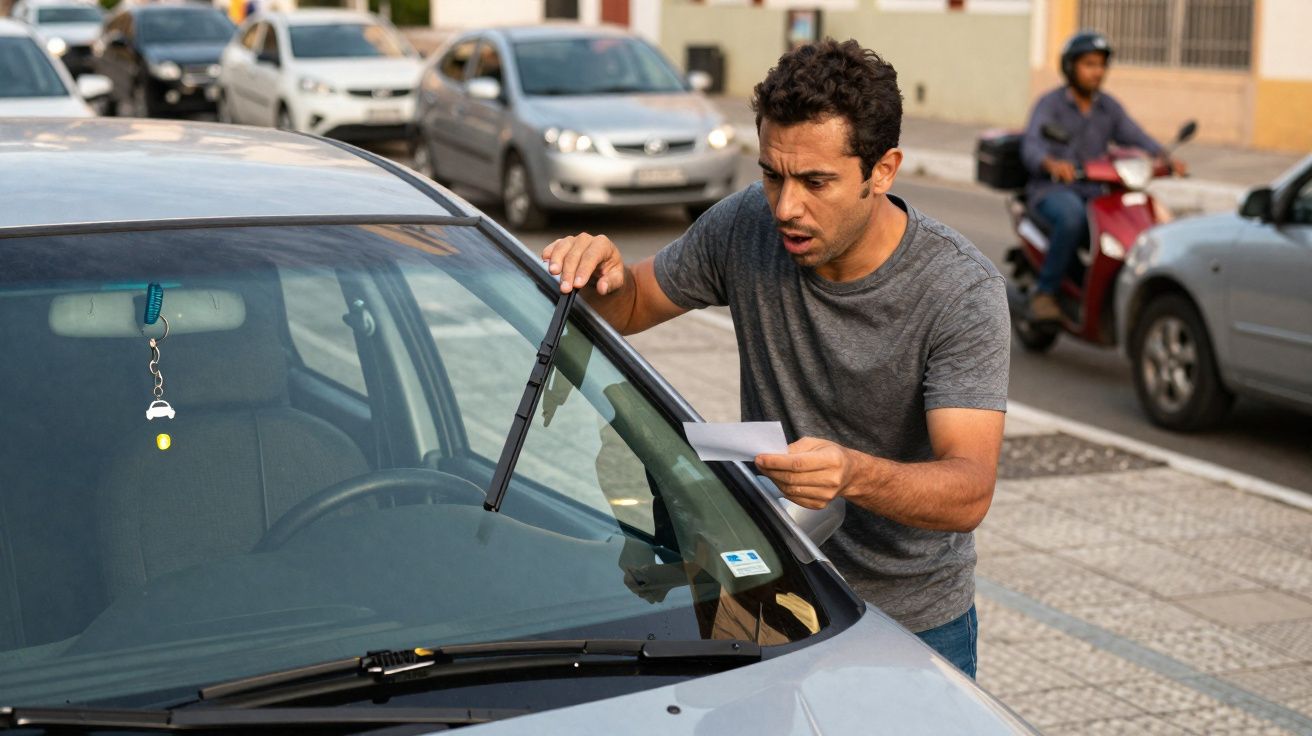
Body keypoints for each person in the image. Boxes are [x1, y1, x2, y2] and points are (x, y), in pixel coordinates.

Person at [540, 38, 1009, 678]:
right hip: (760, 590)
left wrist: (850, 473)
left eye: (817, 181)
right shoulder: (743, 227)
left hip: (910, 622)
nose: (786, 207)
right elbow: (629, 306)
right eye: (771, 174)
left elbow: (968, 490)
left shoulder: (960, 289)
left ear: (884, 169)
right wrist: (602, 270)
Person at [1021, 30, 1186, 321]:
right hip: (1052, 190)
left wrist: (1165, 158)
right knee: (1071, 218)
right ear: (1071, 67)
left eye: (1101, 65)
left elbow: (1135, 135)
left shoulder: (1108, 107)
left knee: (1126, 225)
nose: (1097, 72)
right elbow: (1031, 145)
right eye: (1089, 64)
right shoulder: (1050, 104)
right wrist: (1051, 164)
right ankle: (1044, 293)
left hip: (1094, 190)